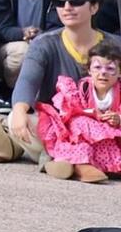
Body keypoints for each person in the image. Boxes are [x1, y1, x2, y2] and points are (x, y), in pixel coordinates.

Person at [7, 0, 104, 164]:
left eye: (75, 1)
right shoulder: (43, 43)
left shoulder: (114, 45)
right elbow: (27, 81)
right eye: (60, 2)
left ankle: (61, 160)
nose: (67, 7)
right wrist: (20, 110)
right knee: (15, 119)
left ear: (94, 7)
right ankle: (71, 159)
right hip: (56, 124)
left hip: (104, 124)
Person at [33, 39, 121, 181]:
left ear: (119, 73)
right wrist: (93, 114)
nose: (103, 73)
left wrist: (118, 118)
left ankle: (101, 166)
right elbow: (71, 111)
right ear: (89, 70)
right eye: (97, 68)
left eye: (110, 69)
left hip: (112, 138)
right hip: (82, 136)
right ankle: (78, 165)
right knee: (80, 122)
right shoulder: (82, 88)